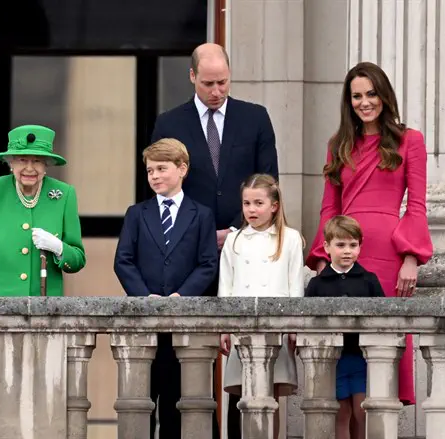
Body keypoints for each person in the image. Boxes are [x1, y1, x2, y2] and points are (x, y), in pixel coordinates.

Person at [151, 42, 279, 438]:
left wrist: (238, 230)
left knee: (247, 358)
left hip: (247, 250)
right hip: (187, 256)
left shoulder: (255, 118)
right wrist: (206, 234)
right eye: (208, 83)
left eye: (223, 82)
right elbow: (161, 192)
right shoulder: (169, 122)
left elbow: (269, 181)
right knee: (181, 357)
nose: (217, 91)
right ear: (192, 76)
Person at [305, 61, 433, 406]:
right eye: (357, 96)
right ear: (349, 102)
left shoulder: (410, 140)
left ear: (384, 96)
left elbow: (416, 205)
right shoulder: (338, 144)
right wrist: (323, 259)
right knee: (343, 353)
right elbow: (329, 207)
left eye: (371, 94)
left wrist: (411, 257)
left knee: (383, 345)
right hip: (344, 252)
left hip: (388, 256)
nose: (365, 102)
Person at [0, 124, 86, 397]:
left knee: (41, 399)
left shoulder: (63, 194)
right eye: (22, 160)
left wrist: (58, 248)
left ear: (47, 165)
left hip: (45, 318)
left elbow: (78, 259)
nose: (29, 168)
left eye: (37, 161)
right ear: (10, 163)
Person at [114, 138, 218, 438]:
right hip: (143, 325)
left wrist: (181, 296)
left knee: (177, 405)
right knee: (141, 403)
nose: (154, 176)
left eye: (161, 168)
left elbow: (208, 263)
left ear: (182, 169)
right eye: (150, 171)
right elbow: (123, 260)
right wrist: (144, 296)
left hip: (185, 326)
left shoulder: (201, 215)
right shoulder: (137, 213)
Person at [218, 173, 304, 439]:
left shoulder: (290, 238)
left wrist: (294, 327)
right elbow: (226, 287)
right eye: (247, 203)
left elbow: (295, 286)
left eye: (258, 203)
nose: (251, 210)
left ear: (274, 205)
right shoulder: (234, 240)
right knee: (243, 394)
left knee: (270, 396)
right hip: (241, 327)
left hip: (276, 328)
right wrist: (224, 328)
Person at [305, 215, 384, 439]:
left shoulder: (369, 280)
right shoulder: (317, 284)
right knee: (341, 414)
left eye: (353, 245)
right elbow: (307, 322)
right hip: (332, 361)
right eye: (340, 245)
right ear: (326, 247)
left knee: (362, 411)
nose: (347, 251)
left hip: (361, 358)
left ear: (360, 246)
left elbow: (384, 318)